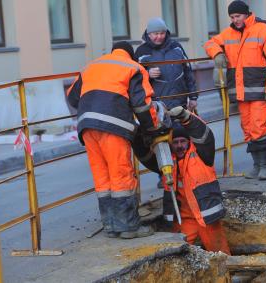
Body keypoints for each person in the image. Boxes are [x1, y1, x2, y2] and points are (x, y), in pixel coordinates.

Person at [66, 41, 159, 239]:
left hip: (87, 126)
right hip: (113, 125)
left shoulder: (92, 66)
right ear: (130, 55)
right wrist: (151, 129)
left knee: (102, 176)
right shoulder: (134, 68)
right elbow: (142, 105)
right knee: (121, 174)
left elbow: (72, 97)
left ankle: (110, 225)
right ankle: (128, 228)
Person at [132, 106, 231, 255]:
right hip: (184, 218)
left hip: (206, 217)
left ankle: (226, 274)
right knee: (180, 254)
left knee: (220, 253)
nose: (179, 146)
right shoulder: (167, 161)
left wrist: (187, 117)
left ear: (189, 141)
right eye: (175, 142)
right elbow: (145, 156)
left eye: (182, 141)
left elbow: (205, 134)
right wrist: (136, 136)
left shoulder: (202, 154)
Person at [204, 0, 266, 180]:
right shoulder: (229, 33)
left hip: (260, 90)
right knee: (247, 129)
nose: (235, 20)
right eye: (232, 17)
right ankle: (257, 165)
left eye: (237, 16)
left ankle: (265, 166)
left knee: (259, 127)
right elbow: (209, 43)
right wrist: (217, 53)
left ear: (247, 14)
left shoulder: (264, 30)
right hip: (241, 92)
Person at [135, 17, 198, 188]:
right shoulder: (141, 52)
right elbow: (134, 80)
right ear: (148, 34)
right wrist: (147, 73)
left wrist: (193, 97)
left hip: (179, 102)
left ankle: (186, 172)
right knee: (160, 142)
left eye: (162, 33)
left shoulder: (176, 47)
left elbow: (188, 72)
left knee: (181, 139)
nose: (159, 37)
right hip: (157, 108)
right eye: (155, 34)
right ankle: (164, 175)